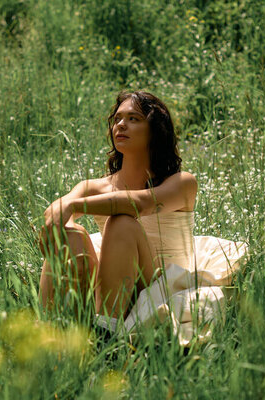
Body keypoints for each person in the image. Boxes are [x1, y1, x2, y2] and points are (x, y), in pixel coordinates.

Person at [38, 91, 248, 343]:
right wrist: (61, 225)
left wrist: (71, 205)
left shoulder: (181, 183)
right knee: (70, 234)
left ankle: (107, 333)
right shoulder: (95, 187)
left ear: (155, 130)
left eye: (134, 118)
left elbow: (139, 203)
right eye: (117, 119)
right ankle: (56, 330)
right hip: (110, 283)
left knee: (122, 221)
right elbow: (56, 210)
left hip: (157, 286)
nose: (121, 125)